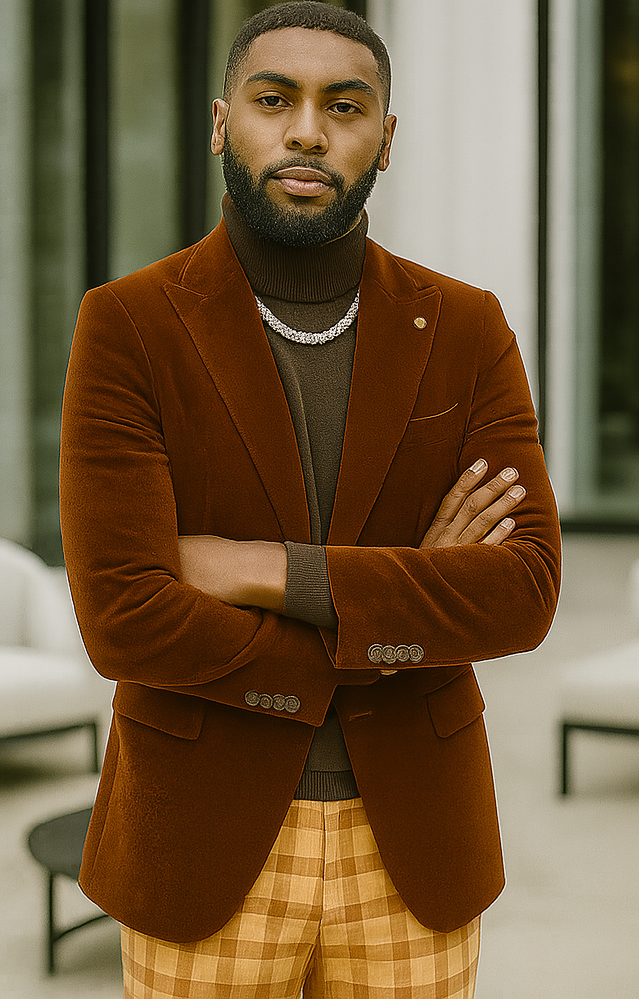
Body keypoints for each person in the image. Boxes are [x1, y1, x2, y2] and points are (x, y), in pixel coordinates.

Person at [59, 3, 561, 997]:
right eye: (274, 98)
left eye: (346, 105)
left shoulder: (465, 326)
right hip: (200, 836)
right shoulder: (128, 327)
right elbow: (125, 619)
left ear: (385, 140)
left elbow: (525, 590)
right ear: (220, 122)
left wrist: (258, 569)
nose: (306, 131)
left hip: (413, 837)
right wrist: (402, 600)